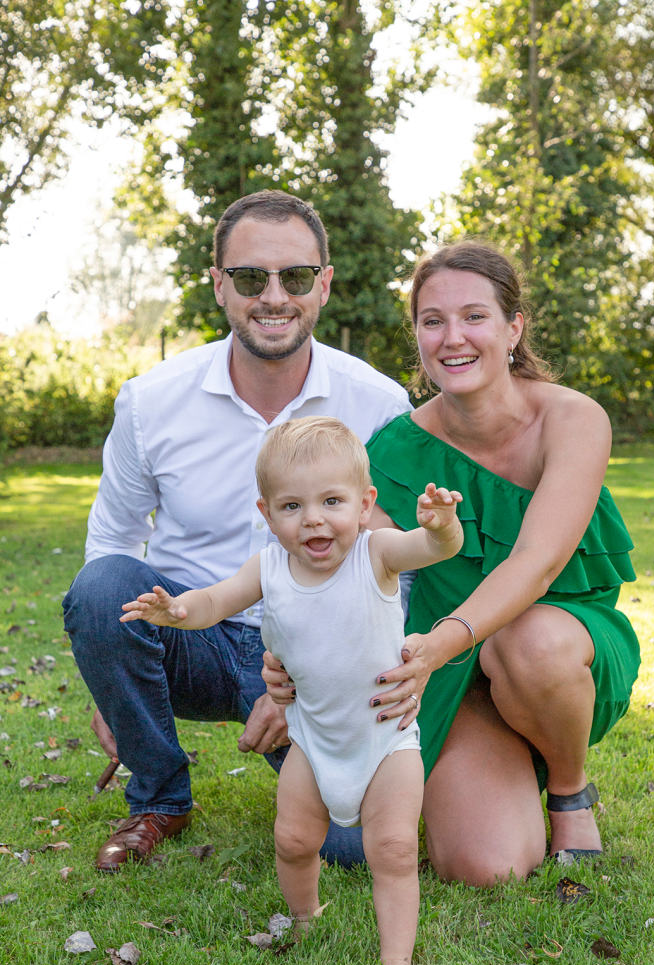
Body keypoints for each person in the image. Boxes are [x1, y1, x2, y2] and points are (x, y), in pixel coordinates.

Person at [264, 240, 641, 886]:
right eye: (431, 321)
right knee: (484, 866)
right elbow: (344, 572)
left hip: (553, 645)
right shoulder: (397, 448)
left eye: (473, 317)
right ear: (416, 335)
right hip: (451, 671)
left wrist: (442, 640)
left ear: (512, 327)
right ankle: (508, 761)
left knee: (530, 644)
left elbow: (536, 566)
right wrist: (289, 661)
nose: (452, 338)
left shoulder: (572, 420)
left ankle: (570, 788)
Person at [62, 190, 411, 872]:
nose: (273, 296)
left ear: (324, 285)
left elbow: (399, 570)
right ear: (219, 284)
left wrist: (311, 684)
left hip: (316, 653)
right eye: (251, 277)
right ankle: (160, 797)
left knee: (351, 847)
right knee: (103, 585)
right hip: (188, 632)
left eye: (296, 277)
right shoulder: (152, 399)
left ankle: (313, 766)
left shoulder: (378, 404)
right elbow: (111, 545)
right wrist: (113, 688)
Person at [118, 416, 463, 965]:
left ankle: (398, 963)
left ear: (364, 504)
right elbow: (214, 601)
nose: (313, 519)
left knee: (395, 849)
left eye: (332, 500)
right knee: (295, 839)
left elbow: (432, 547)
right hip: (312, 738)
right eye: (292, 506)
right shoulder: (269, 568)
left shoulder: (376, 553)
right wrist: (178, 611)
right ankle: (305, 920)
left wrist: (443, 525)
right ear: (266, 513)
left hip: (385, 738)